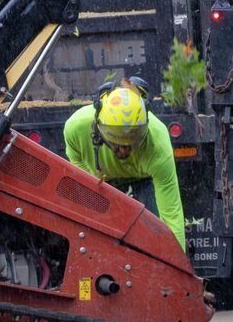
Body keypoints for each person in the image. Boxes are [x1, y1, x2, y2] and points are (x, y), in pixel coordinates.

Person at [61, 79, 186, 250]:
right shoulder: (76, 128)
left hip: (145, 179)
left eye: (130, 144)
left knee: (153, 237)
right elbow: (82, 179)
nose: (124, 151)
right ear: (99, 129)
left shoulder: (158, 143)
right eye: (116, 144)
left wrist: (177, 267)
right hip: (100, 183)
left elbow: (171, 215)